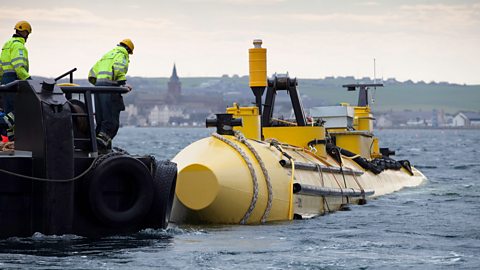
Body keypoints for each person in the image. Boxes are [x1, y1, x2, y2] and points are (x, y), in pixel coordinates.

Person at [88, 39, 134, 152]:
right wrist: (123, 84)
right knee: (111, 120)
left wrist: (98, 84)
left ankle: (95, 144)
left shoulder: (107, 55)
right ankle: (101, 145)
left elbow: (92, 72)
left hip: (99, 87)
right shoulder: (122, 55)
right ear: (128, 50)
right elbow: (119, 69)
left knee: (101, 119)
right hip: (110, 88)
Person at [0, 20, 32, 141]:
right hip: (15, 80)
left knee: (9, 110)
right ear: (25, 33)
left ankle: (13, 139)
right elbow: (19, 67)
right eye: (27, 34)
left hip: (5, 81)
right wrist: (28, 79)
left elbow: (0, 66)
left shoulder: (6, 45)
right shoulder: (19, 46)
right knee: (19, 110)